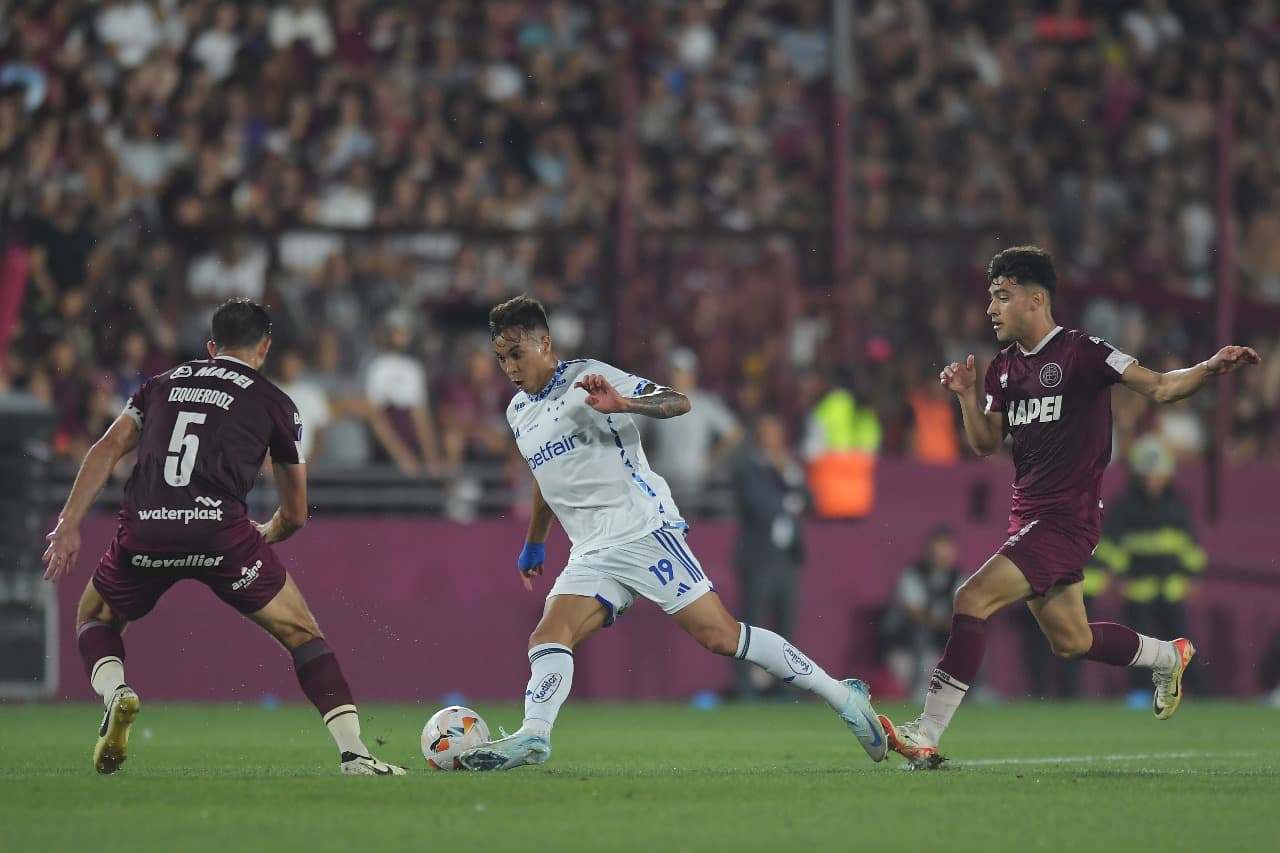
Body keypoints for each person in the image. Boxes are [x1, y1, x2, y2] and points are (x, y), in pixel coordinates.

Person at [458, 295, 887, 771]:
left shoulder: (589, 376)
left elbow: (677, 401)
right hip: (591, 549)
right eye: (501, 358)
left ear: (545, 343)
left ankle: (842, 695)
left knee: (721, 637)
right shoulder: (519, 413)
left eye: (517, 353)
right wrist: (535, 541)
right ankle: (534, 736)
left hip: (643, 528)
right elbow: (546, 477)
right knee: (548, 636)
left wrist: (623, 403)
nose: (509, 367)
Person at [878, 246, 1260, 769]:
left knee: (970, 598)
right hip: (1028, 516)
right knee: (1071, 641)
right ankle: (1168, 656)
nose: (990, 308)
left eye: (1001, 296)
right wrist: (967, 396)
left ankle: (927, 731)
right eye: (990, 297)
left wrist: (1212, 367)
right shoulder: (1003, 370)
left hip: (1067, 518)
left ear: (1036, 300)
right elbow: (987, 443)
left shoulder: (1084, 353)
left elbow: (1163, 388)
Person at [41, 298, 404, 776]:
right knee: (302, 634)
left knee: (93, 615)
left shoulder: (160, 386)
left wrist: (68, 525)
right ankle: (355, 752)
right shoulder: (274, 401)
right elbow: (294, 513)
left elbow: (106, 448)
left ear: (212, 346)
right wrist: (269, 533)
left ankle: (116, 692)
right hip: (221, 536)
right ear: (265, 347)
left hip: (146, 528)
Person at [1092, 434, 1206, 702]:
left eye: (1158, 475)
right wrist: (1118, 577)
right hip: (1138, 589)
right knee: (1140, 647)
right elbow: (1112, 546)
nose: (1154, 480)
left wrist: (1192, 576)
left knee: (1183, 643)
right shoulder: (1125, 506)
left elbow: (1190, 546)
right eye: (1149, 475)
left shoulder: (1177, 504)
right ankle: (1140, 692)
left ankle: (1196, 693)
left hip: (1171, 588)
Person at [729, 411, 811, 700]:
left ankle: (783, 688)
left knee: (785, 625)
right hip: (759, 557)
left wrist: (789, 478)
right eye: (766, 432)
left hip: (786, 558)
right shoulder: (748, 467)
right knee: (751, 625)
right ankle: (745, 687)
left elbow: (809, 499)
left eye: (775, 433)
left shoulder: (788, 467)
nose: (771, 439)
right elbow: (758, 504)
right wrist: (789, 500)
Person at [643, 347, 742, 508]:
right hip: (661, 475)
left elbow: (733, 433)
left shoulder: (704, 403)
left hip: (693, 479)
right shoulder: (655, 401)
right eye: (675, 371)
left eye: (682, 372)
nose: (678, 376)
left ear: (692, 374)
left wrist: (709, 461)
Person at [879, 526, 963, 699]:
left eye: (947, 549)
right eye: (939, 549)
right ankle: (918, 687)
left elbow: (964, 610)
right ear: (930, 551)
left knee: (972, 633)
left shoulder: (958, 576)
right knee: (920, 631)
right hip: (907, 642)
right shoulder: (913, 574)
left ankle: (979, 688)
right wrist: (946, 623)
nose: (943, 555)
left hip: (942, 639)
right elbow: (915, 613)